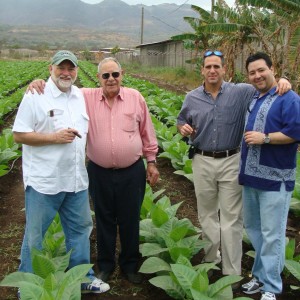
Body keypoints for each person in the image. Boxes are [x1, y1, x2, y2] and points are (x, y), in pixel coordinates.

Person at [28, 57, 160, 284]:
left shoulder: (135, 98)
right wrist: (39, 82)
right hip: (99, 171)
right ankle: (105, 264)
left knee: (130, 219)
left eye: (115, 74)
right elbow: (62, 84)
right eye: (105, 75)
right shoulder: (84, 96)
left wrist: (152, 161)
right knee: (103, 218)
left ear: (122, 74)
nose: (111, 79)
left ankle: (130, 264)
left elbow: (147, 131)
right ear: (98, 78)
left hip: (132, 171)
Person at [176, 50, 290, 279]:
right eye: (208, 66)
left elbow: (266, 86)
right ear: (202, 70)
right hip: (202, 160)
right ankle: (211, 259)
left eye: (217, 66)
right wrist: (183, 128)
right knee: (207, 215)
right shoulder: (192, 97)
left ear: (224, 69)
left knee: (231, 219)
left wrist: (284, 80)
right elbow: (181, 120)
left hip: (231, 160)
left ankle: (231, 272)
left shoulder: (241, 92)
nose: (212, 70)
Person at [13, 50, 110, 298]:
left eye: (71, 68)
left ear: (77, 71)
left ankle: (83, 279)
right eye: (61, 68)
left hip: (76, 180)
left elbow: (109, 89)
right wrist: (53, 138)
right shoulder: (35, 95)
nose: (66, 73)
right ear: (50, 69)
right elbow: (19, 135)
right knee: (35, 238)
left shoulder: (79, 95)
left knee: (80, 231)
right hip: (44, 182)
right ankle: (28, 287)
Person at [239, 52, 300, 300]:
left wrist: (264, 138)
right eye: (252, 72)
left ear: (272, 68)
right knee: (254, 230)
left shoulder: (288, 97)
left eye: (261, 70)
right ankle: (260, 277)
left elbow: (296, 132)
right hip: (251, 179)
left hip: (276, 180)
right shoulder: (254, 97)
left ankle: (272, 288)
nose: (257, 75)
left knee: (273, 234)